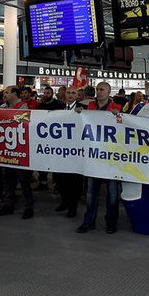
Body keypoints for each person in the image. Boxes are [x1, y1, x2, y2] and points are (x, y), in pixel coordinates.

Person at [77, 82, 122, 234]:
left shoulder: (118, 109)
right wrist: (78, 113)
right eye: (97, 89)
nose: (99, 92)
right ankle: (89, 221)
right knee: (91, 193)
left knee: (113, 194)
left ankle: (111, 222)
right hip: (93, 157)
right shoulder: (88, 108)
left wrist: (120, 118)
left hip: (111, 157)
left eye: (102, 89)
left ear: (109, 92)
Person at [0, 86, 33, 220]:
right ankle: (8, 204)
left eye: (6, 92)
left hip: (20, 151)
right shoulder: (3, 108)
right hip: (8, 150)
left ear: (15, 94)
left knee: (23, 180)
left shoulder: (24, 107)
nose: (4, 94)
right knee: (8, 179)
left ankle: (29, 206)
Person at [54, 86, 84, 218]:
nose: (70, 95)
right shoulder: (58, 109)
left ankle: (73, 207)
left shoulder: (83, 109)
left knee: (74, 180)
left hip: (76, 150)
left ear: (77, 95)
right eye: (68, 93)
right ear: (64, 94)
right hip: (61, 149)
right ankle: (64, 201)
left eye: (73, 93)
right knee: (59, 178)